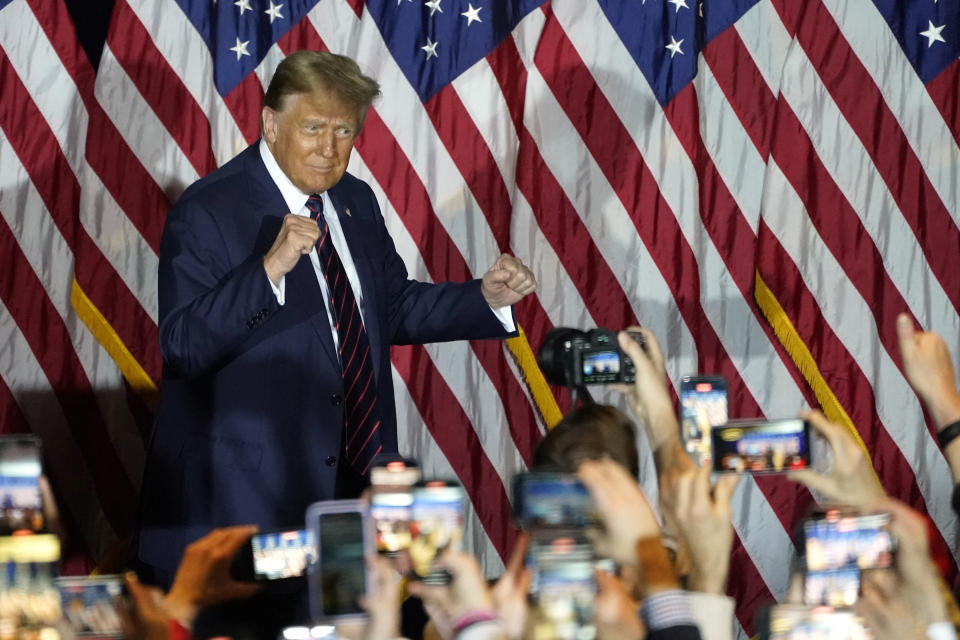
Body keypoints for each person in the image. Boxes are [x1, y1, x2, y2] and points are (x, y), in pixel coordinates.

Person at [136, 50, 536, 615]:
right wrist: (268, 270)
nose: (329, 148)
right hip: (242, 514)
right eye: (314, 128)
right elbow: (182, 347)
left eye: (345, 130)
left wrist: (484, 298)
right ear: (270, 124)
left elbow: (389, 309)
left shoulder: (354, 201)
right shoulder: (208, 210)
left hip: (348, 500)